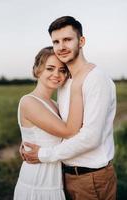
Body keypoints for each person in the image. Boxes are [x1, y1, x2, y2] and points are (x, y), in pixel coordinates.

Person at [22, 16, 117, 200]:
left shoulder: (95, 78)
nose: (61, 46)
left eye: (67, 39)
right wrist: (30, 140)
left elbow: (91, 138)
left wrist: (43, 154)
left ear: (81, 41)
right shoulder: (65, 82)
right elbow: (60, 124)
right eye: (56, 41)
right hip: (65, 175)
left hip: (91, 177)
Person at [14, 46, 89, 200]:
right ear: (37, 70)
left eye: (62, 70)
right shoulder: (29, 101)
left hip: (55, 181)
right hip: (38, 182)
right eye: (50, 68)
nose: (57, 74)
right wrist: (77, 87)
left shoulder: (55, 103)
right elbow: (70, 131)